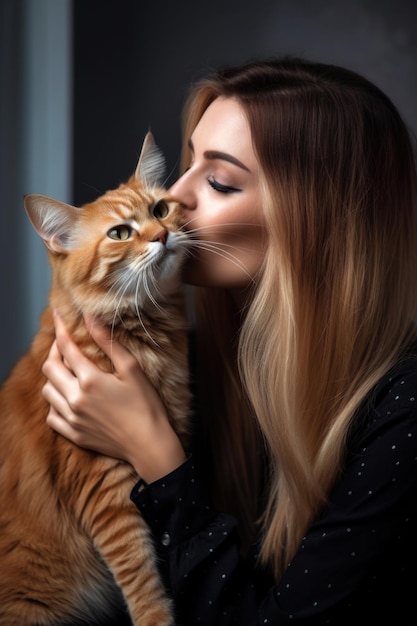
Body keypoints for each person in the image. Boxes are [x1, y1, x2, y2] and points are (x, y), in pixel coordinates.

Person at [41, 57, 417, 624]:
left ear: (316, 221)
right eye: (188, 162)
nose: (174, 196)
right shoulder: (206, 355)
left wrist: (156, 457)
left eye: (219, 180)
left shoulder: (404, 408)